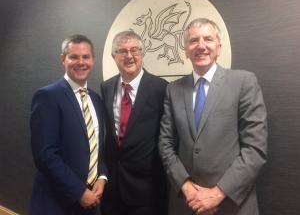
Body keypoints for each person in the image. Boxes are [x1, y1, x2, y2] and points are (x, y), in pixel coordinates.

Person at [159, 18, 268, 215]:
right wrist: (186, 187)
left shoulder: (243, 83)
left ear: (219, 47)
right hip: (186, 204)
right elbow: (165, 144)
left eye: (208, 39)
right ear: (185, 50)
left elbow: (255, 149)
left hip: (232, 205)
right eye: (193, 40)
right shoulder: (173, 90)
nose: (201, 46)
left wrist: (217, 193)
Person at [30, 34, 107, 215]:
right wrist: (79, 192)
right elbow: (45, 155)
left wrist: (102, 176)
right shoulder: (47, 97)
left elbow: (97, 147)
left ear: (93, 60)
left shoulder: (96, 100)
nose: (81, 62)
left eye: (86, 57)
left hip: (91, 202)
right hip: (56, 203)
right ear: (63, 59)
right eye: (74, 57)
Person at [100, 30, 168, 215]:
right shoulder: (106, 87)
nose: (129, 56)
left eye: (135, 50)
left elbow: (167, 138)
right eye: (122, 51)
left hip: (147, 191)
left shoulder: (161, 88)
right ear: (114, 56)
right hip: (112, 188)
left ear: (142, 54)